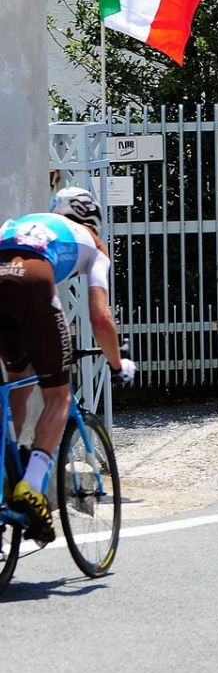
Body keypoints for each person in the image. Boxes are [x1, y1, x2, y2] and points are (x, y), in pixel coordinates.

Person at [0, 187, 135, 543]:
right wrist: (117, 363)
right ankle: (30, 487)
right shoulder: (93, 243)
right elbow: (100, 318)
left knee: (19, 377)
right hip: (33, 278)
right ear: (94, 218)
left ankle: (6, 471)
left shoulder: (29, 222)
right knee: (58, 395)